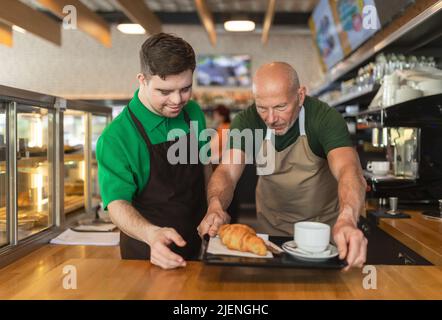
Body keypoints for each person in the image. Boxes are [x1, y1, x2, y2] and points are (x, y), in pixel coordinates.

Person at [198, 62, 368, 270]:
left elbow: (348, 169)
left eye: (280, 107)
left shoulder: (324, 118)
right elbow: (227, 172)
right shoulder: (247, 121)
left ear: (300, 95)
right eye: (262, 108)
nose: (271, 119)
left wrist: (348, 218)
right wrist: (215, 205)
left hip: (324, 230)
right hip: (273, 226)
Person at [97, 33, 211, 269]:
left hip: (199, 245)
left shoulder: (193, 113)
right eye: (165, 91)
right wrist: (150, 235)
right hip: (147, 253)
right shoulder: (117, 137)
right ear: (142, 80)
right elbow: (117, 204)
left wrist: (214, 207)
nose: (177, 100)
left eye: (185, 88)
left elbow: (204, 167)